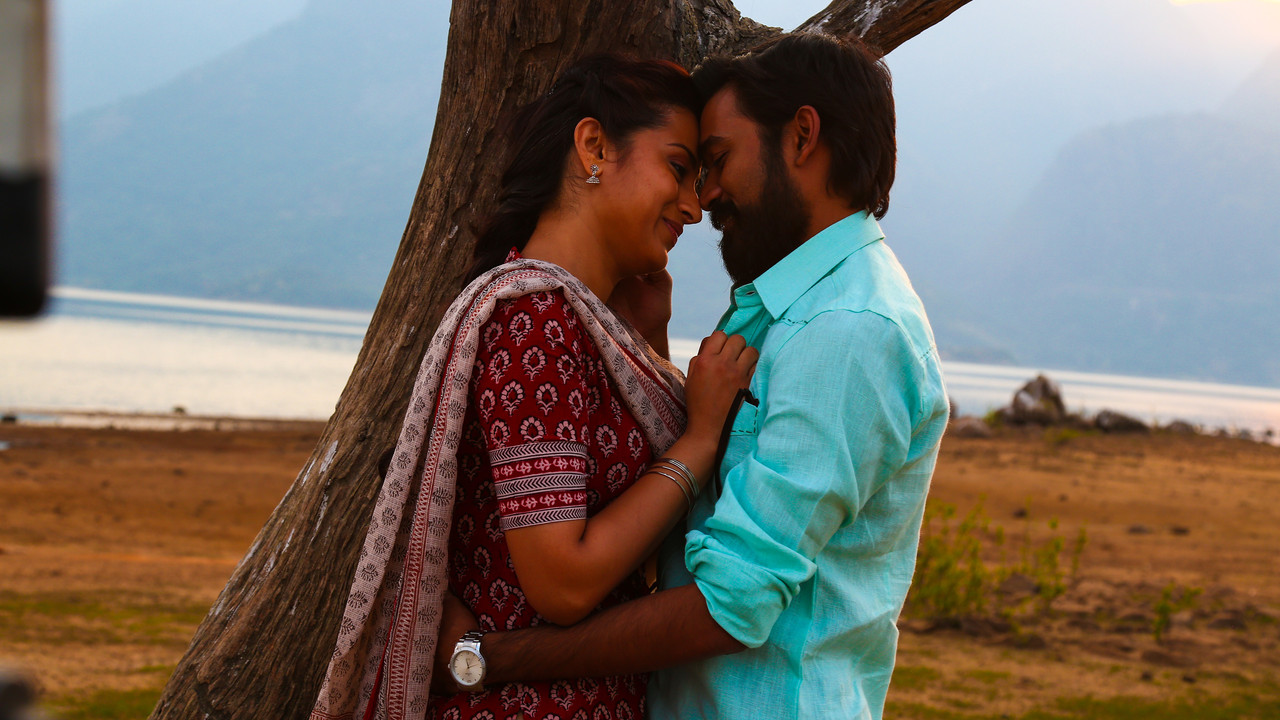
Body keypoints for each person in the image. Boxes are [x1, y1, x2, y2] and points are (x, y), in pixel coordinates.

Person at [433, 33, 951, 720]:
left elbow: (729, 604)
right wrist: (652, 348)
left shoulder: (849, 331)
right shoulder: (780, 312)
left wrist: (490, 658)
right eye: (684, 168)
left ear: (802, 137)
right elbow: (686, 527)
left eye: (715, 160)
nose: (703, 199)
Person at [309, 55, 757, 720]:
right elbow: (563, 584)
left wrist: (650, 341)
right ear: (594, 147)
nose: (694, 206)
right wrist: (699, 439)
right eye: (677, 167)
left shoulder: (575, 323)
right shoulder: (535, 324)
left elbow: (629, 513)